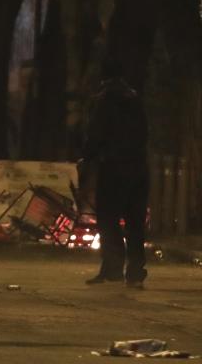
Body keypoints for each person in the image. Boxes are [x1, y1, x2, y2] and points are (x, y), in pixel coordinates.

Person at [80, 61, 149, 288]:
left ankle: (113, 268)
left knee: (108, 218)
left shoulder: (105, 100)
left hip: (114, 167)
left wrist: (87, 157)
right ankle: (136, 273)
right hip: (139, 167)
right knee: (135, 222)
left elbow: (97, 133)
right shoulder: (135, 98)